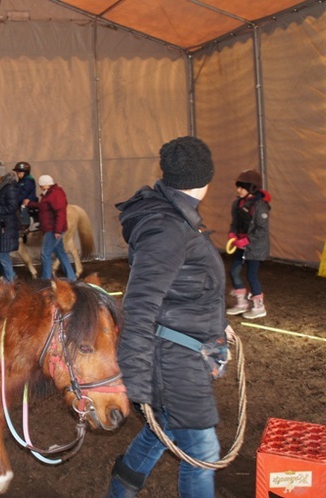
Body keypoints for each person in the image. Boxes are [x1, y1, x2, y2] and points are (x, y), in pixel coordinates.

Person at [106, 136, 233, 498]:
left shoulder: (175, 216)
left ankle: (119, 492)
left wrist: (214, 323)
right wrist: (138, 380)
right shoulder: (168, 228)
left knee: (162, 431)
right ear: (205, 178)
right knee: (201, 451)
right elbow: (140, 304)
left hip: (179, 351)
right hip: (173, 361)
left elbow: (181, 285)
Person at [226, 169, 271, 318]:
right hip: (240, 245)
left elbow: (261, 230)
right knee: (234, 271)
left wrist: (247, 240)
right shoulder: (237, 203)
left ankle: (259, 307)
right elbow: (236, 223)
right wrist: (233, 234)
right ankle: (241, 303)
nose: (238, 190)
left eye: (241, 187)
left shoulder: (260, 206)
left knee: (252, 274)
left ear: (251, 188)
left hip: (255, 247)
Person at [23, 175, 76, 281]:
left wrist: (57, 230)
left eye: (41, 185)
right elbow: (44, 206)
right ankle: (71, 277)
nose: (40, 187)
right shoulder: (50, 194)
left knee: (45, 254)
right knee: (60, 252)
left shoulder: (55, 195)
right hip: (52, 228)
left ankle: (46, 279)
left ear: (45, 185)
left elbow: (60, 213)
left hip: (52, 230)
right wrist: (30, 204)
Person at [0, 161, 20, 282]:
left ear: (0, 175)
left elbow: (12, 207)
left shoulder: (10, 187)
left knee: (2, 256)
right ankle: (9, 276)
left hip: (5, 227)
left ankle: (10, 280)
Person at [13, 161, 39, 231]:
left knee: (23, 207)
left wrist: (16, 201)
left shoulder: (28, 181)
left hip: (29, 200)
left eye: (20, 173)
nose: (18, 175)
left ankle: (25, 224)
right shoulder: (20, 181)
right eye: (17, 173)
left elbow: (24, 193)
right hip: (21, 199)